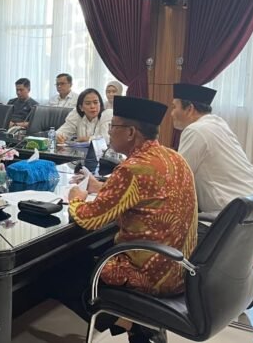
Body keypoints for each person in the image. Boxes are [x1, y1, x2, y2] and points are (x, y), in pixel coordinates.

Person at [65, 96, 197, 342]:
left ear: (130, 133)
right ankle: (137, 325)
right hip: (179, 268)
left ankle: (127, 322)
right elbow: (146, 197)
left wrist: (76, 198)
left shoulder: (132, 168)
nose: (109, 132)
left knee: (63, 268)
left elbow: (89, 219)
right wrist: (101, 188)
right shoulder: (174, 158)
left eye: (113, 126)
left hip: (149, 274)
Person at [172, 83, 253, 213]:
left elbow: (179, 178)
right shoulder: (218, 123)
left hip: (233, 212)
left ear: (189, 109)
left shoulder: (195, 130)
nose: (172, 113)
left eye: (174, 107)